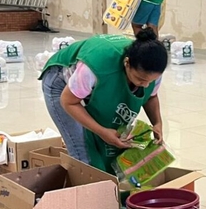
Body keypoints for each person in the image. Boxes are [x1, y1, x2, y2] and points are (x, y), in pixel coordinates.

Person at [40, 30, 167, 174]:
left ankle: (113, 191)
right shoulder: (96, 67)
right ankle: (89, 192)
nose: (145, 85)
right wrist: (102, 132)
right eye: (140, 79)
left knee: (110, 149)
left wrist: (157, 123)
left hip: (92, 84)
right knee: (83, 154)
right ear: (127, 63)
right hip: (60, 82)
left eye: (149, 81)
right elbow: (69, 102)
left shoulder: (151, 71)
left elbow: (151, 96)